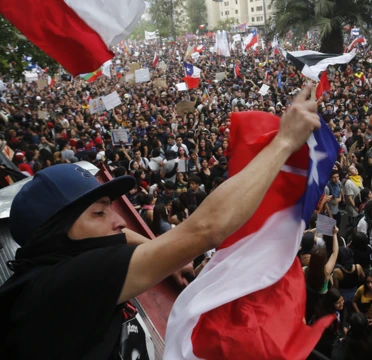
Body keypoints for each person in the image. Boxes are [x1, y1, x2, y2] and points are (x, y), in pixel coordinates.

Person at [0, 87, 322, 358]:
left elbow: (118, 235)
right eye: (99, 213)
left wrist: (162, 256)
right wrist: (283, 142)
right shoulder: (65, 284)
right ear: (57, 233)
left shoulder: (50, 268)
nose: (118, 221)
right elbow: (206, 229)